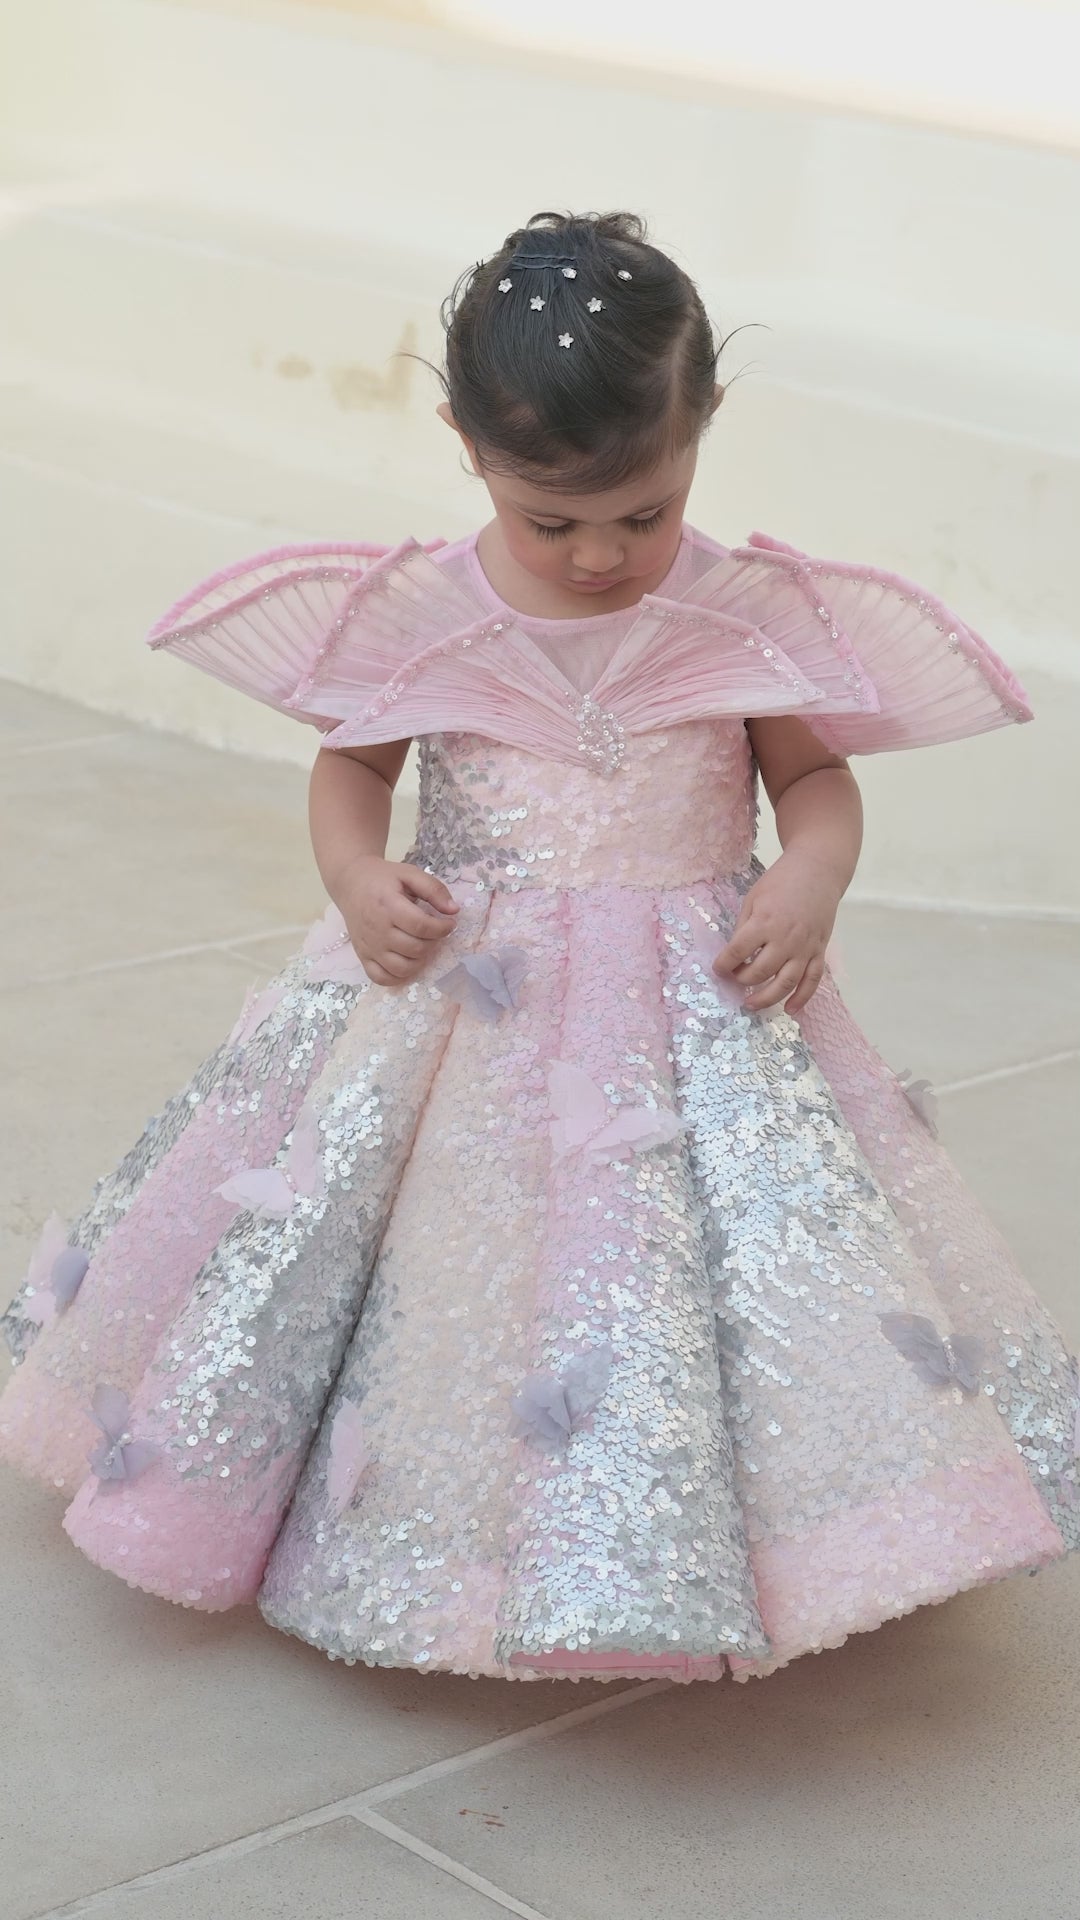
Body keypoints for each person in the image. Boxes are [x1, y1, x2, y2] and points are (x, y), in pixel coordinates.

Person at [2, 211, 1074, 1684]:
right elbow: (353, 766)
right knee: (442, 1262)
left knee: (693, 1262)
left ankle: (730, 1531)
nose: (602, 555)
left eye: (646, 512)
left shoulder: (737, 614)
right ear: (465, 448)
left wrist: (811, 873)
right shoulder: (427, 614)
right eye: (551, 522)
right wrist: (357, 874)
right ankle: (421, 1541)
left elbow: (814, 776)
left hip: (696, 1002)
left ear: (701, 432)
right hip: (467, 996)